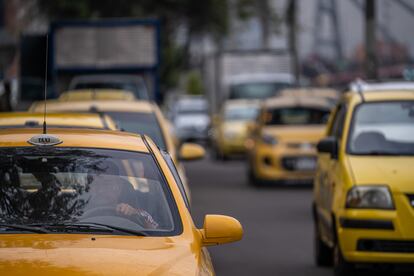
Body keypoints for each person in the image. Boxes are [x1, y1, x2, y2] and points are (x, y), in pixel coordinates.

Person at [84, 172, 159, 229]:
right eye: (95, 184)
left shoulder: (132, 212)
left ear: (118, 188)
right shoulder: (76, 211)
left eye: (106, 184)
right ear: (88, 188)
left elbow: (156, 232)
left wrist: (135, 213)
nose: (100, 190)